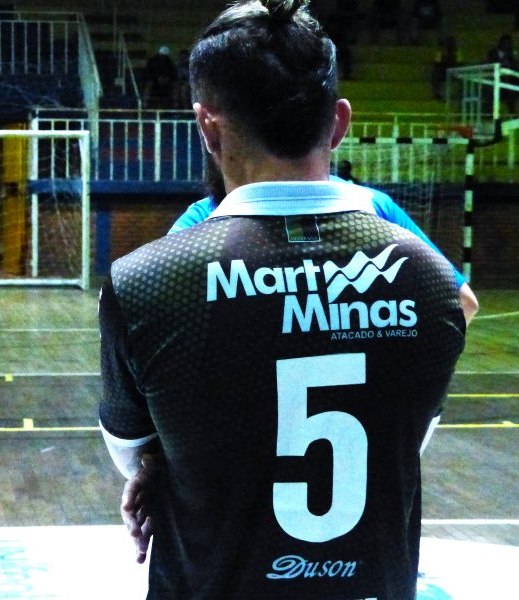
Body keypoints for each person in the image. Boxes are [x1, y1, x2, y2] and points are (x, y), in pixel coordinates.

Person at [98, 2, 466, 598]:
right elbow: (402, 441)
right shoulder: (428, 279)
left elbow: (134, 454)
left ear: (207, 127)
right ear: (340, 122)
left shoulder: (144, 281)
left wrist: (157, 471)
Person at [169, 165, 480, 325]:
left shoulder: (206, 215)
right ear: (335, 125)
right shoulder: (375, 205)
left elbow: (147, 316)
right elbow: (464, 303)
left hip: (236, 434)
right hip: (365, 435)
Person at [487, 33, 518, 113]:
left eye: (509, 43)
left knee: (511, 89)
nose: (507, 45)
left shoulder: (512, 55)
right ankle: (492, 114)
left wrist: (511, 59)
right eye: (505, 43)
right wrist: (503, 60)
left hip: (510, 81)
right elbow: (492, 65)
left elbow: (515, 68)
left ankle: (513, 113)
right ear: (501, 43)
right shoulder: (494, 53)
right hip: (495, 80)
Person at [431, 35, 463, 100]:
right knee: (434, 73)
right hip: (443, 72)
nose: (450, 45)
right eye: (448, 43)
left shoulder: (457, 52)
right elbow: (436, 64)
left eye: (451, 43)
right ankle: (437, 93)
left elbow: (460, 64)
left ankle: (461, 94)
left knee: (463, 75)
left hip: (454, 72)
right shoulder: (441, 52)